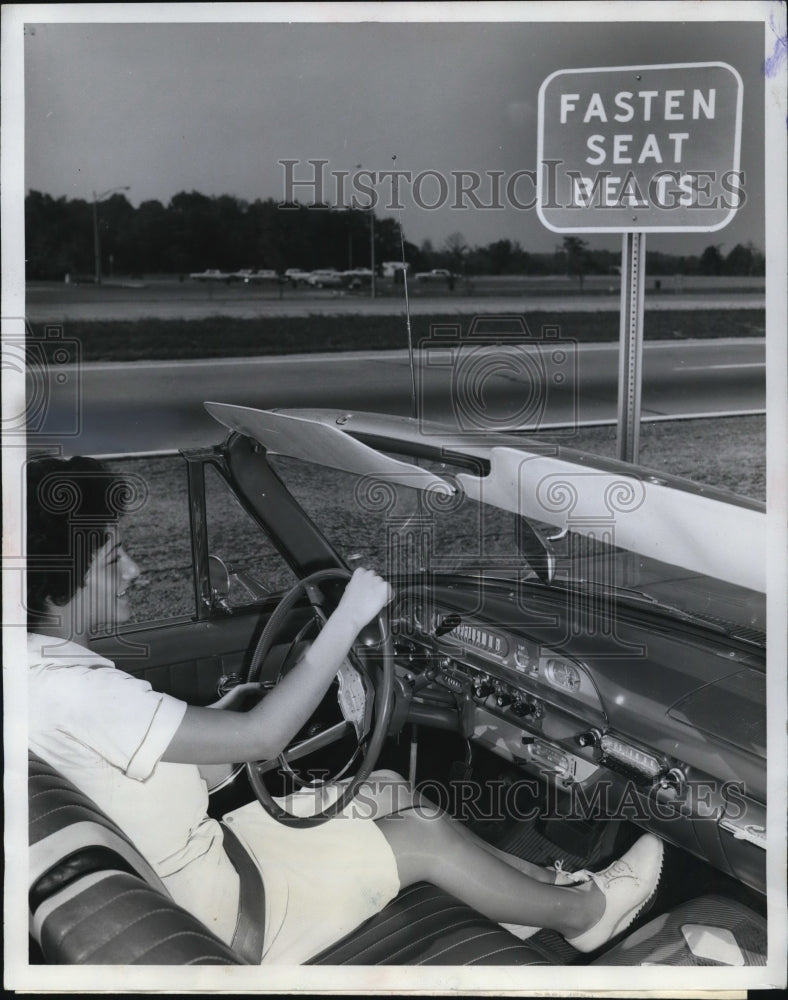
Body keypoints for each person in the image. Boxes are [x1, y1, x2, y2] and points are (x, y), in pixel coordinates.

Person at [26, 456, 664, 964]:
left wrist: (235, 711)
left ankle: (547, 897)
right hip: (233, 919)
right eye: (113, 559)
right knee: (423, 836)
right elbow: (262, 737)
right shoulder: (76, 688)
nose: (135, 569)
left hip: (201, 867)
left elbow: (175, 759)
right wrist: (349, 619)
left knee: (385, 788)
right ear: (58, 583)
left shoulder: (33, 668)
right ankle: (588, 915)